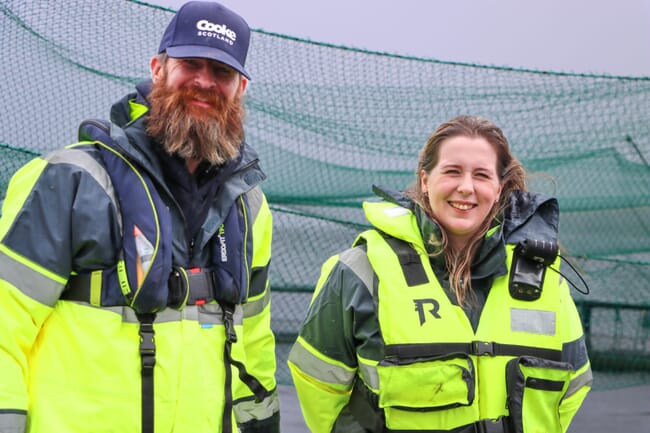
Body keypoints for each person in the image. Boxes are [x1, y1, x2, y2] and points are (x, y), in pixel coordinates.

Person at [0, 2, 279, 432]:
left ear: (240, 87)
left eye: (221, 72)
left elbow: (254, 339)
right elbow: (5, 323)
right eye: (190, 63)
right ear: (158, 69)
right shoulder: (72, 180)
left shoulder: (250, 206)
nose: (204, 81)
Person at [288, 115, 592, 433]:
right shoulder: (363, 269)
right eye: (452, 171)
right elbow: (318, 387)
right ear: (424, 180)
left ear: (499, 188)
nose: (466, 187)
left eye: (481, 175)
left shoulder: (544, 281)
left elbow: (573, 388)